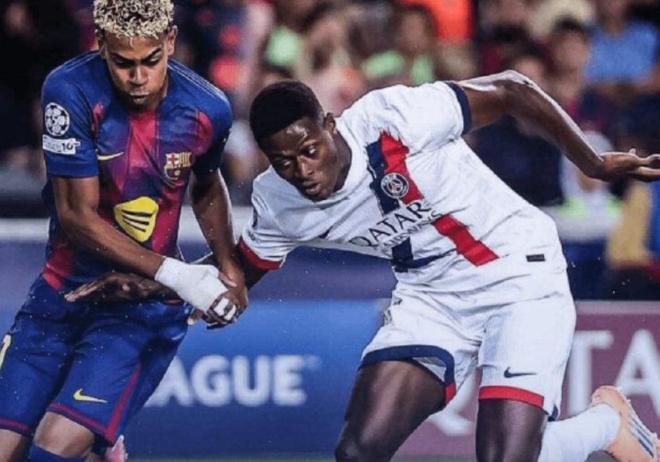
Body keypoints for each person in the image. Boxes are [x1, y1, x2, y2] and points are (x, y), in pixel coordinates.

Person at [69, 74, 660, 461]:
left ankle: (605, 425)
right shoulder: (279, 201)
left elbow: (511, 89)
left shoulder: (393, 119)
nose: (303, 170)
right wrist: (153, 281)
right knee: (358, 451)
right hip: (431, 298)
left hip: (519, 275)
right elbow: (236, 278)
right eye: (284, 161)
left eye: (309, 150)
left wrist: (591, 160)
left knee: (506, 459)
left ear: (330, 125)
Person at [0, 1, 246, 461]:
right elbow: (76, 216)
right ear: (100, 44)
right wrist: (180, 275)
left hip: (139, 312)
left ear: (170, 41)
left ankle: (98, 439)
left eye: (150, 61)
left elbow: (208, 183)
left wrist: (229, 267)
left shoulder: (208, 108)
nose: (138, 77)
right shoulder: (69, 91)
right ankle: (105, 445)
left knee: (51, 449)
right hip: (59, 296)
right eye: (123, 63)